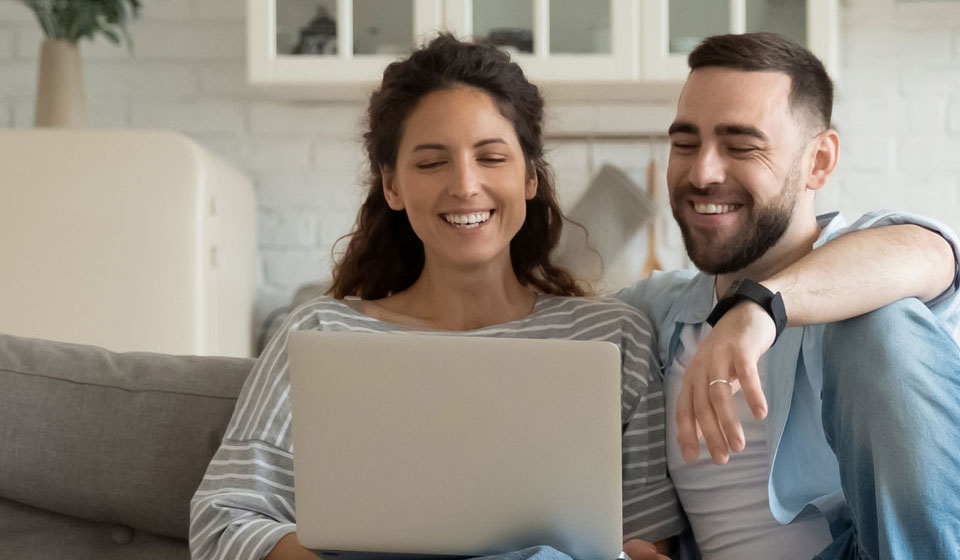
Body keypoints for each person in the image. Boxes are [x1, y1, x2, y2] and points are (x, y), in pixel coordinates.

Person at [189, 34, 686, 560]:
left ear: (530, 178)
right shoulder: (317, 334)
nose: (465, 185)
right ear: (392, 185)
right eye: (431, 163)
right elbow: (224, 518)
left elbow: (646, 539)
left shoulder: (613, 339)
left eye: (492, 158)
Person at [617, 33, 960, 559]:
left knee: (880, 322)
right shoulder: (654, 312)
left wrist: (761, 307)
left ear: (818, 161)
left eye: (741, 146)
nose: (703, 172)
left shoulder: (868, 270)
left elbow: (932, 253)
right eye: (685, 143)